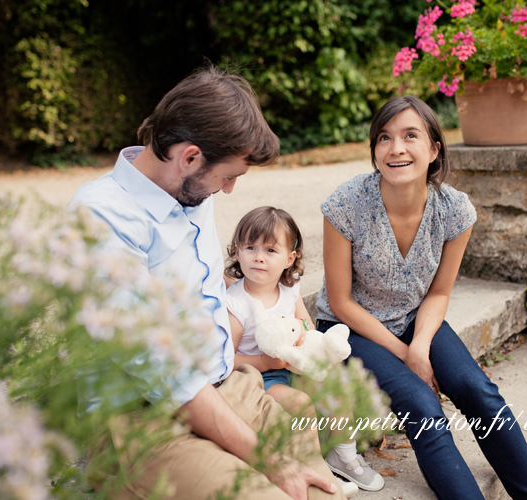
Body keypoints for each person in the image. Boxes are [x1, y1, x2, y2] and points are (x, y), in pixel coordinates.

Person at [70, 64, 343, 500]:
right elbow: (164, 375)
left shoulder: (189, 191)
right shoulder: (101, 215)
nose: (230, 190)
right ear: (190, 157)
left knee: (320, 489)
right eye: (230, 175)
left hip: (225, 386)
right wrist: (268, 462)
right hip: (143, 421)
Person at [314, 95, 527, 500]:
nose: (396, 148)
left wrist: (419, 346)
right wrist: (406, 355)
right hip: (350, 328)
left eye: (410, 136)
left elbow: (439, 293)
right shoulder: (346, 205)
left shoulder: (455, 210)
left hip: (415, 318)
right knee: (423, 406)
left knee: (476, 390)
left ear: (434, 149)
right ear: (374, 149)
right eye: (384, 138)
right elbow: (340, 303)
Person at [224, 207, 383, 497]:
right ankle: (317, 474)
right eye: (250, 247)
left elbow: (308, 328)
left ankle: (343, 454)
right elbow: (227, 359)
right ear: (237, 251)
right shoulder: (236, 303)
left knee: (334, 385)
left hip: (292, 366)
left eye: (271, 250)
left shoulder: (289, 290)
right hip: (259, 379)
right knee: (300, 404)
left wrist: (308, 342)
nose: (259, 256)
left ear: (290, 258)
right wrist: (263, 361)